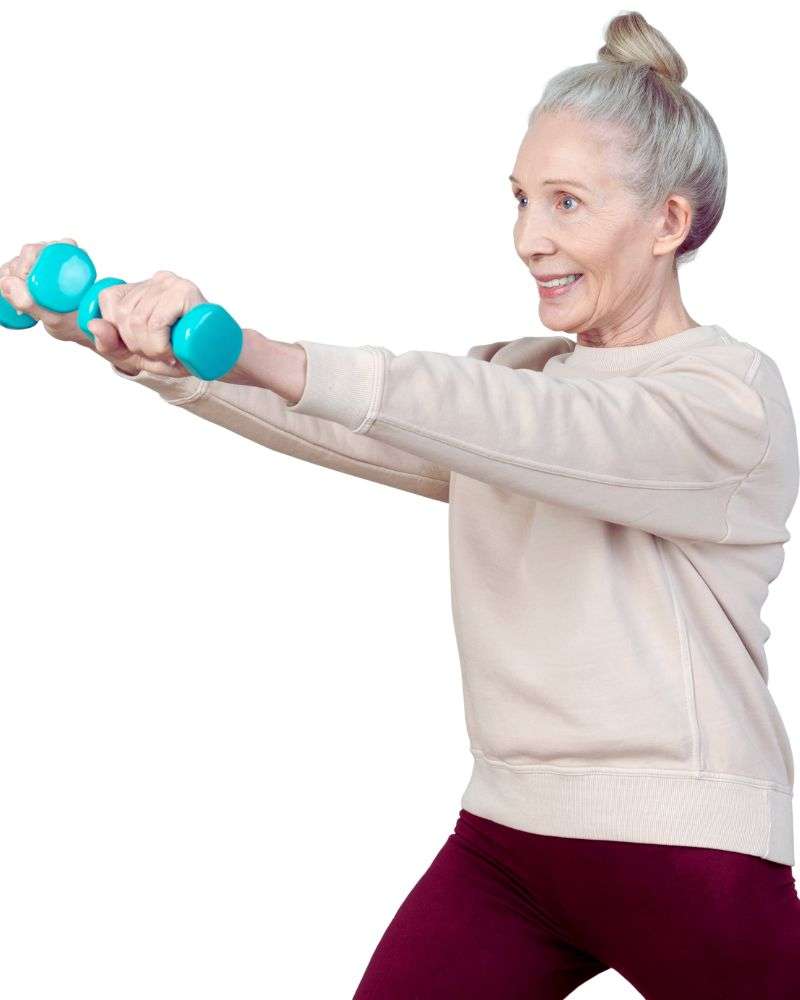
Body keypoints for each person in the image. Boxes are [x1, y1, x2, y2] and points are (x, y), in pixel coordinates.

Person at [2, 10, 799, 998]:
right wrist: (140, 353)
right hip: (509, 842)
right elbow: (367, 424)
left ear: (667, 222)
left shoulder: (726, 401)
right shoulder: (526, 371)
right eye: (517, 201)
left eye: (565, 203)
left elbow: (518, 424)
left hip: (682, 849)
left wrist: (249, 344)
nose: (527, 239)